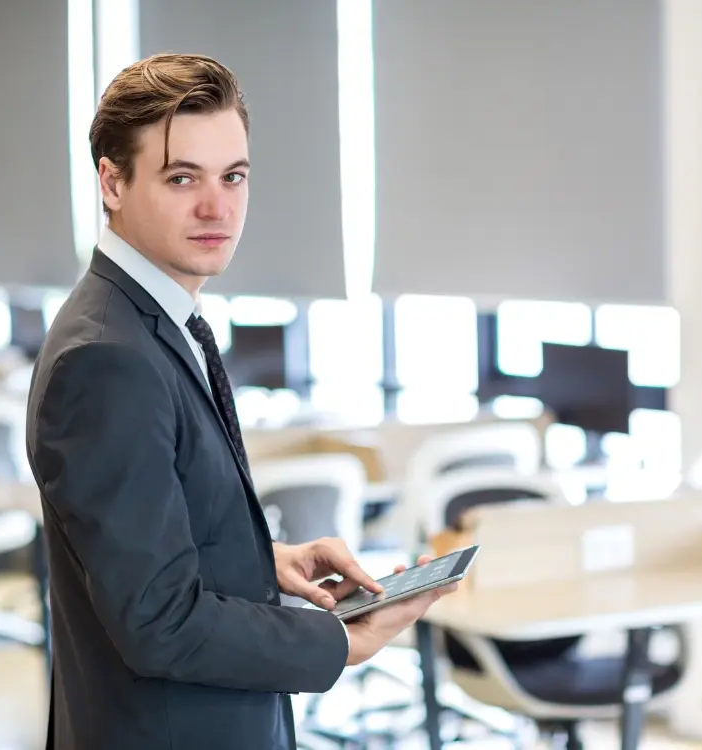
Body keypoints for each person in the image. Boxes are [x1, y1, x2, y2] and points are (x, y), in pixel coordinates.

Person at [25, 53, 457, 750]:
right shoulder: (107, 357)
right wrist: (338, 642)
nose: (216, 206)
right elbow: (158, 623)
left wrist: (259, 561)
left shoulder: (155, 321)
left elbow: (144, 549)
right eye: (181, 178)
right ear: (111, 181)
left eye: (234, 176)